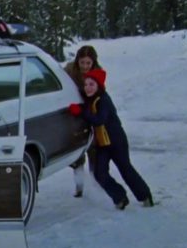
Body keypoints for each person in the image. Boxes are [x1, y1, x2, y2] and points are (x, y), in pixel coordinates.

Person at [69, 68, 154, 210]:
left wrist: (81, 111)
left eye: (92, 84)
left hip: (117, 142)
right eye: (86, 84)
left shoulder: (104, 100)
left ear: (99, 86)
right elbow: (87, 108)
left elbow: (99, 119)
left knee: (126, 170)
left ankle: (145, 196)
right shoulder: (91, 98)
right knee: (100, 174)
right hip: (103, 145)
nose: (88, 88)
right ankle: (120, 197)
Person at [64, 45, 102, 198]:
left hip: (91, 113)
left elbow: (101, 95)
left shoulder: (98, 73)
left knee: (94, 149)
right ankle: (79, 185)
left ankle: (96, 180)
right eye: (82, 62)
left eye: (88, 63)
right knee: (77, 151)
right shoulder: (69, 71)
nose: (85, 66)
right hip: (74, 114)